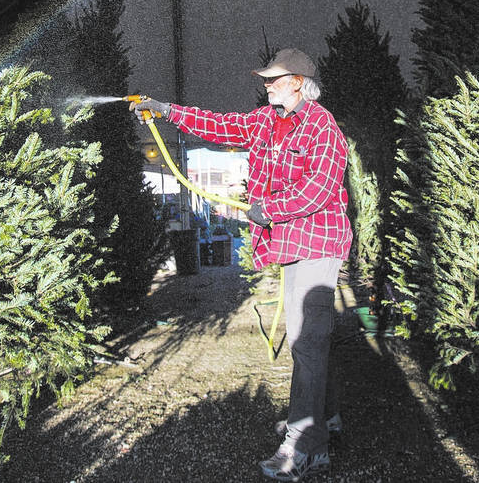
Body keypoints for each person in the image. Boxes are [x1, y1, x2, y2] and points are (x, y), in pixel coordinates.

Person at [131, 48, 352, 481]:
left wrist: (267, 209)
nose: (267, 84)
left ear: (298, 82)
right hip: (294, 242)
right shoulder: (266, 121)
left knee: (306, 342)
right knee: (309, 340)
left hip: (319, 242)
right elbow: (220, 125)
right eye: (267, 79)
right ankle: (323, 424)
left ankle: (304, 447)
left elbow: (320, 189)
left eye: (274, 79)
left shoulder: (322, 126)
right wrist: (165, 111)